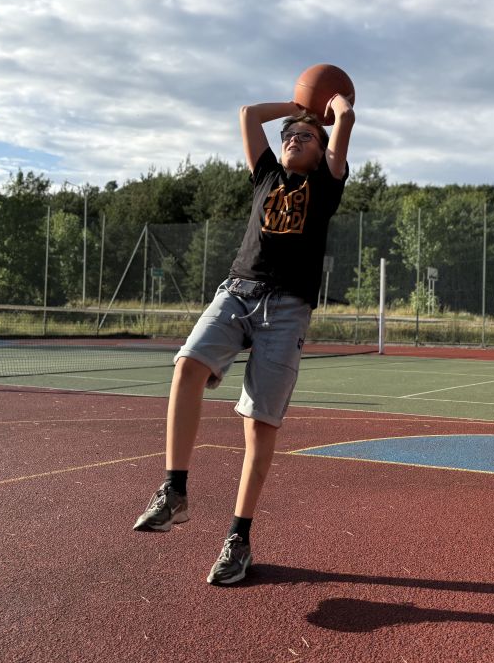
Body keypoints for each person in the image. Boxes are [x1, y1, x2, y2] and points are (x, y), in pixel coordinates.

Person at [132, 92, 355, 586]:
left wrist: (333, 110)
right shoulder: (267, 174)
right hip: (238, 290)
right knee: (188, 364)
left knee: (259, 425)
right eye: (290, 135)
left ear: (321, 151)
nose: (294, 139)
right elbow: (248, 115)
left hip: (288, 309)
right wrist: (297, 103)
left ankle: (238, 537)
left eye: (306, 137)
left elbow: (344, 122)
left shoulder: (325, 183)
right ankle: (174, 490)